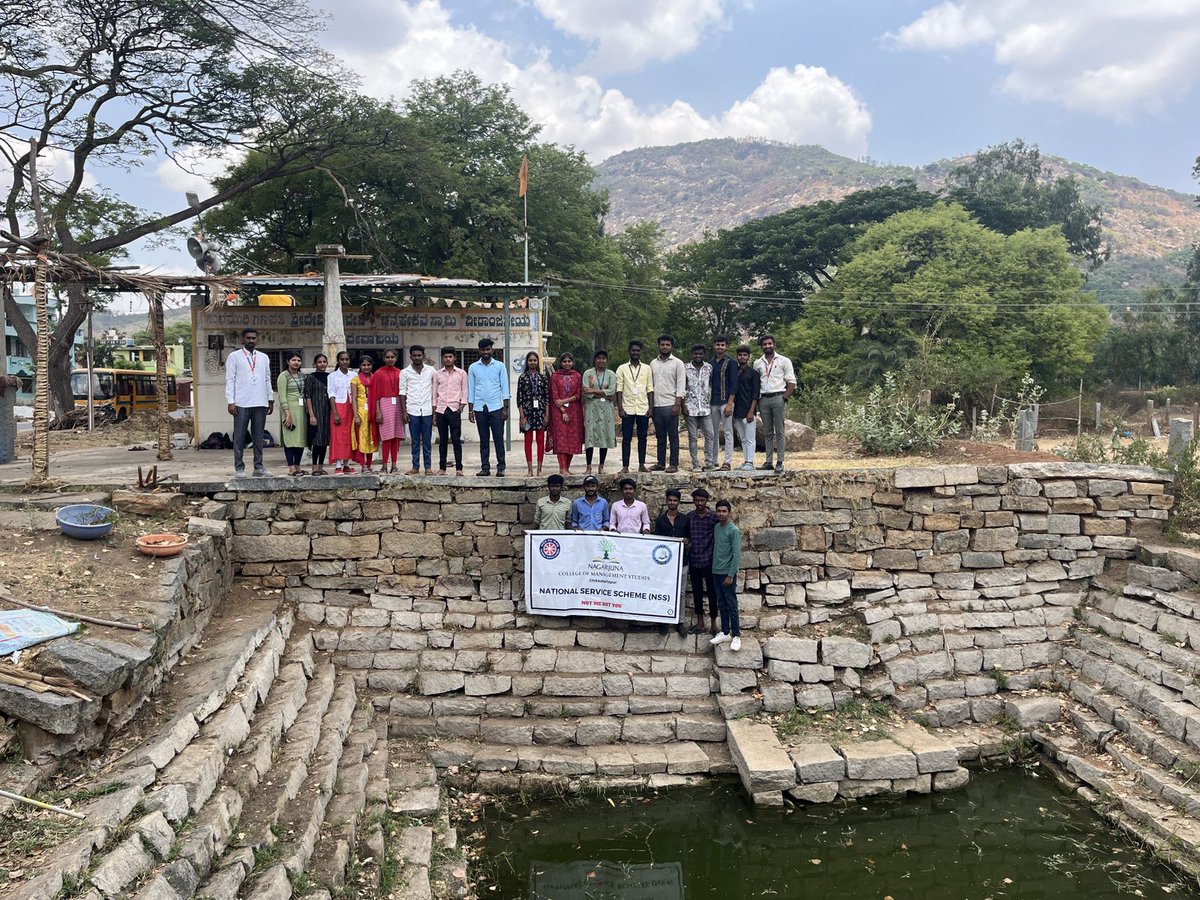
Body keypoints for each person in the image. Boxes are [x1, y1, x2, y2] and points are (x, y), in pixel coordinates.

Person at [224, 327, 274, 477]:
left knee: (258, 436)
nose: (251, 340)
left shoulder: (264, 357)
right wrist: (230, 401)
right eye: (248, 338)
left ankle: (258, 467)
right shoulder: (234, 356)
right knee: (239, 437)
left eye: (254, 338)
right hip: (241, 402)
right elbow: (230, 379)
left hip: (260, 401)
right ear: (242, 339)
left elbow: (267, 378)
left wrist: (270, 398)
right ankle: (239, 468)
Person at [753, 334, 796, 472]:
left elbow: (792, 381)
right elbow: (755, 382)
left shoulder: (784, 361)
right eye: (764, 344)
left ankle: (780, 461)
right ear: (761, 346)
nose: (767, 346)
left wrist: (784, 398)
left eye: (769, 344)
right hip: (763, 398)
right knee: (767, 432)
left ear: (774, 344)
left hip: (778, 396)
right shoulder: (757, 363)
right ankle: (768, 461)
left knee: (780, 431)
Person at [467, 338, 509, 477]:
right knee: (483, 440)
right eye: (483, 350)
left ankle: (501, 467)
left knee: (498, 438)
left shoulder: (500, 366)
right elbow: (471, 390)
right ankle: (485, 467)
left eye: (488, 349)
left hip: (496, 407)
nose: (486, 352)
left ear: (492, 350)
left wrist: (505, 409)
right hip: (480, 408)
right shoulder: (473, 367)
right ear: (479, 351)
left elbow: (505, 388)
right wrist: (470, 410)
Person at [654, 488, 690, 639]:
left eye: (675, 500)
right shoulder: (660, 520)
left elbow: (689, 539)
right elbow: (656, 542)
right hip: (665, 564)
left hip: (682, 561)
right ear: (667, 501)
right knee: (663, 591)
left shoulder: (685, 519)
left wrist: (686, 541)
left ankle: (679, 622)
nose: (672, 502)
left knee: (681, 593)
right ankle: (664, 620)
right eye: (670, 500)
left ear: (678, 502)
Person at [615, 340, 654, 474]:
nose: (635, 353)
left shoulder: (647, 368)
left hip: (643, 407)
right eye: (633, 350)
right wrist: (620, 408)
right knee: (626, 438)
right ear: (629, 351)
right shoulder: (622, 368)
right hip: (628, 408)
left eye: (637, 350)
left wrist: (651, 408)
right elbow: (619, 389)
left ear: (640, 352)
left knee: (643, 438)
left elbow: (650, 389)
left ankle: (641, 464)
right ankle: (625, 466)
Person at [649, 334, 686, 473]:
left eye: (667, 345)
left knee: (673, 436)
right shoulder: (653, 363)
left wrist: (677, 404)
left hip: (671, 404)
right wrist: (650, 406)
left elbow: (681, 384)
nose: (665, 347)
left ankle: (674, 464)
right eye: (662, 344)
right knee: (660, 436)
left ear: (671, 346)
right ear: (658, 346)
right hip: (657, 405)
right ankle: (660, 462)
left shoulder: (678, 363)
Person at [710, 499, 743, 651]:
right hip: (716, 571)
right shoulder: (716, 527)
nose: (721, 514)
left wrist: (730, 575)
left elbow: (736, 555)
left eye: (724, 511)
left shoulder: (733, 530)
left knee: (731, 603)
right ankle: (725, 632)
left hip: (727, 573)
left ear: (729, 513)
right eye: (719, 511)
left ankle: (736, 635)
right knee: (721, 602)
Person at [687, 487, 718, 635]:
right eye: (697, 500)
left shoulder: (713, 517)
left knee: (712, 593)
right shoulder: (689, 517)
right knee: (697, 592)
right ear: (693, 501)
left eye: (702, 500)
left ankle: (713, 623)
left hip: (709, 560)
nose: (699, 503)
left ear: (707, 501)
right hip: (694, 560)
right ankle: (700, 622)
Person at [400, 344, 435, 475]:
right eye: (414, 355)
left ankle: (428, 467)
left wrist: (434, 412)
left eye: (419, 355)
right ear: (410, 356)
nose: (417, 357)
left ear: (423, 356)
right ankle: (415, 467)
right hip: (412, 410)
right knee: (415, 441)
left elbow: (434, 391)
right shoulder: (404, 372)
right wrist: (404, 412)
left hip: (427, 410)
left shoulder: (431, 371)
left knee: (427, 440)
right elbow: (402, 393)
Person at [433, 347, 467, 476]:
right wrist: (434, 411)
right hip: (441, 409)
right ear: (442, 358)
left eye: (450, 357)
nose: (448, 359)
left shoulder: (461, 373)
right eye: (445, 357)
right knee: (442, 440)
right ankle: (442, 468)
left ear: (455, 358)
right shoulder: (438, 374)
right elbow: (434, 393)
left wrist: (461, 407)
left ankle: (459, 468)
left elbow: (464, 391)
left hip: (454, 409)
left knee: (456, 439)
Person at [549, 352, 584, 475]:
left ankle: (567, 467)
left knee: (572, 439)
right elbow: (554, 395)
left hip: (574, 411)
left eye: (569, 361)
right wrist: (563, 410)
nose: (567, 364)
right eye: (564, 361)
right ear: (561, 363)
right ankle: (562, 468)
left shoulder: (577, 376)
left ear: (572, 363)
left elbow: (579, 394)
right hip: (558, 411)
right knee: (561, 439)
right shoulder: (555, 376)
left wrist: (565, 401)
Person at [583, 349, 617, 475]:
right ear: (594, 360)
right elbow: (586, 391)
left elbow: (612, 392)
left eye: (603, 358)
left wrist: (594, 391)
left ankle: (601, 465)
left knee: (604, 436)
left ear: (606, 360)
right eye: (598, 358)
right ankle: (588, 466)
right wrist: (603, 392)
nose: (601, 360)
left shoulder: (611, 374)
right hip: (592, 408)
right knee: (590, 436)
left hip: (606, 409)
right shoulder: (588, 373)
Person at [516, 351, 549, 477]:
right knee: (528, 441)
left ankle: (539, 469)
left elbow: (547, 398)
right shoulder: (522, 378)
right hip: (527, 414)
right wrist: (522, 417)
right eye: (530, 360)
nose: (532, 362)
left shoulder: (543, 378)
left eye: (535, 360)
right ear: (527, 362)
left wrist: (547, 415)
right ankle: (529, 469)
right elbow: (519, 399)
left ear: (538, 362)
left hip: (540, 413)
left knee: (540, 441)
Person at [276, 350, 308, 476]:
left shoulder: (302, 376)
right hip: (289, 409)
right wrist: (287, 414)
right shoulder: (283, 376)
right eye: (293, 360)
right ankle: (291, 467)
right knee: (290, 439)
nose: (296, 363)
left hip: (301, 410)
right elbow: (282, 396)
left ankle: (298, 466)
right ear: (288, 361)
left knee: (300, 438)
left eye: (299, 360)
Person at [372, 348, 403, 474]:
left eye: (392, 357)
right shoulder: (378, 373)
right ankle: (384, 465)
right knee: (386, 437)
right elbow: (376, 394)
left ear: (396, 358)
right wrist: (378, 411)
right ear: (384, 358)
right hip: (384, 403)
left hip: (398, 404)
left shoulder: (400, 373)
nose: (390, 359)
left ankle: (394, 465)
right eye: (388, 357)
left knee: (395, 436)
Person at [708, 335, 737, 471]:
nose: (720, 347)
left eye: (722, 345)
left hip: (726, 401)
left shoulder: (731, 362)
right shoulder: (710, 363)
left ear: (726, 346)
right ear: (714, 345)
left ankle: (727, 461)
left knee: (727, 431)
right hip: (713, 401)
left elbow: (734, 384)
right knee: (712, 432)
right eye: (718, 344)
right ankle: (713, 460)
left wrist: (730, 403)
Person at [683, 344, 712, 472]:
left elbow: (711, 384)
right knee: (693, 438)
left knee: (710, 435)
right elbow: (682, 387)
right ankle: (695, 464)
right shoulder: (685, 368)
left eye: (700, 354)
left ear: (704, 354)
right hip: (690, 408)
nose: (698, 356)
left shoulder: (709, 368)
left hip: (705, 408)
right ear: (692, 354)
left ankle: (709, 463)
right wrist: (683, 405)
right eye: (696, 354)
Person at [733, 345, 761, 471]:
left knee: (750, 438)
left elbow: (756, 394)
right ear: (737, 356)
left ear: (749, 357)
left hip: (749, 410)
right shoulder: (734, 372)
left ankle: (750, 462)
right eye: (740, 355)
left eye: (745, 355)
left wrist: (751, 411)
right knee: (742, 438)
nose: (742, 357)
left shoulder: (753, 374)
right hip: (737, 410)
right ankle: (745, 461)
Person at [351, 353, 379, 473]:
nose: (366, 367)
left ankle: (369, 464)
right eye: (364, 365)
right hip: (361, 413)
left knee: (372, 438)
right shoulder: (355, 380)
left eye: (368, 365)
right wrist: (356, 415)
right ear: (360, 366)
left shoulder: (375, 378)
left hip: (372, 412)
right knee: (362, 439)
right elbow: (354, 399)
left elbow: (378, 396)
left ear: (372, 366)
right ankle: (363, 466)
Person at [328, 351, 355, 474]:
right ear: (338, 361)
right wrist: (335, 413)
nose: (345, 361)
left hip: (351, 407)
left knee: (349, 435)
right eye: (342, 359)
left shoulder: (354, 375)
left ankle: (346, 464)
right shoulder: (332, 376)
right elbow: (331, 395)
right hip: (338, 407)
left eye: (347, 359)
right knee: (338, 436)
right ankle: (338, 465)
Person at [304, 352, 331, 475]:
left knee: (324, 440)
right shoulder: (311, 377)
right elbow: (308, 397)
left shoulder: (330, 377)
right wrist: (311, 415)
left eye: (324, 362)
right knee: (316, 440)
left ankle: (321, 466)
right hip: (316, 411)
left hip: (327, 412)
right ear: (315, 364)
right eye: (319, 362)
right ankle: (314, 467)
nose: (322, 364)